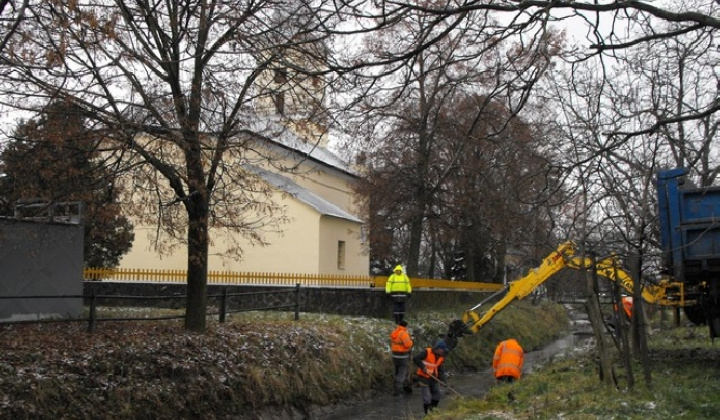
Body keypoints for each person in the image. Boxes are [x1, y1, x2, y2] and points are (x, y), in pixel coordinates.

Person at [413, 340, 449, 414]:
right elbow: (415, 358)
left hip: (433, 377)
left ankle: (433, 411)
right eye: (443, 350)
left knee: (437, 395)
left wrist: (443, 381)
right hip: (423, 377)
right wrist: (423, 367)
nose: (444, 352)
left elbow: (440, 370)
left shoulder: (441, 357)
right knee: (427, 398)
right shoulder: (427, 352)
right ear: (439, 349)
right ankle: (427, 414)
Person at [389, 320, 414, 396]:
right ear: (405, 326)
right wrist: (411, 341)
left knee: (396, 372)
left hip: (395, 355)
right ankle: (398, 391)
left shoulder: (395, 332)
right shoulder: (404, 333)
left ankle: (395, 388)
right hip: (403, 356)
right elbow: (408, 345)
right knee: (402, 373)